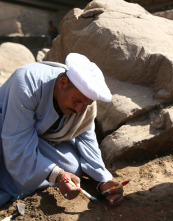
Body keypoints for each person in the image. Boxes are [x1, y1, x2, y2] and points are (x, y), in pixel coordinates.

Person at [0, 53, 123, 207]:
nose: (79, 109)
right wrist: (57, 175)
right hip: (8, 134)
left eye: (85, 104)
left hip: (36, 142)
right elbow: (16, 140)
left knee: (71, 167)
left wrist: (103, 179)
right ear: (63, 83)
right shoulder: (27, 82)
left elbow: (87, 138)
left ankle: (33, 173)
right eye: (77, 101)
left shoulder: (85, 100)